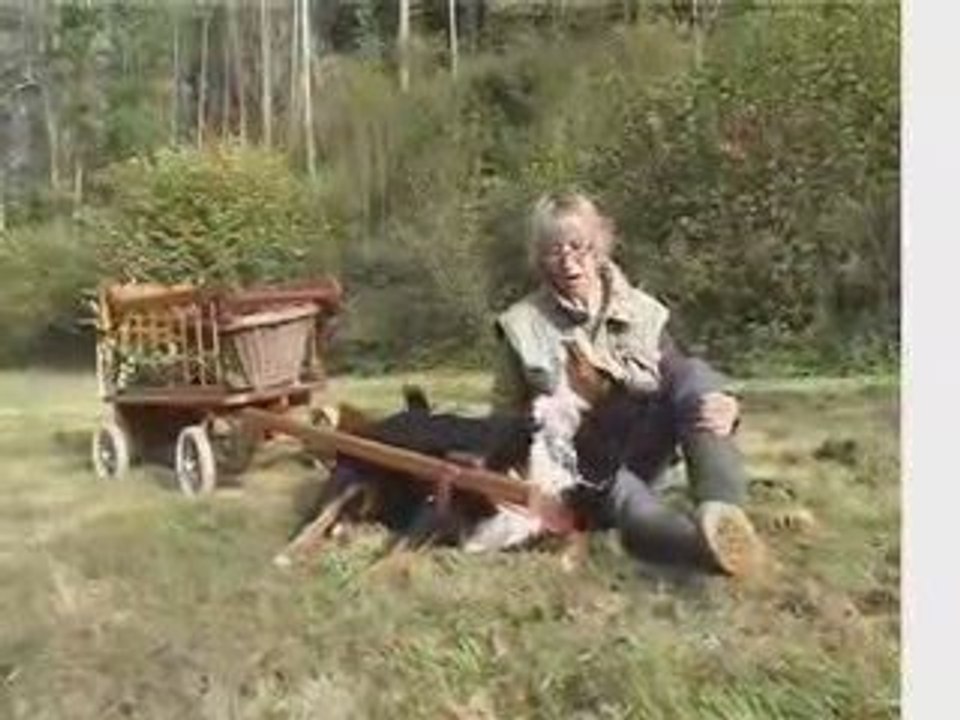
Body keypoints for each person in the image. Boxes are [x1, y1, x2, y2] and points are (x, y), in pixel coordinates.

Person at [487, 191, 762, 576]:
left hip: (646, 449)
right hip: (583, 468)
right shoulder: (520, 326)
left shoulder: (645, 312)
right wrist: (514, 474)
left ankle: (725, 513)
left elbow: (681, 378)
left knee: (697, 377)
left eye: (577, 247)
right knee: (620, 493)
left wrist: (723, 402)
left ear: (598, 245)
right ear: (539, 258)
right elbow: (503, 419)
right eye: (553, 251)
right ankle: (700, 548)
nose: (568, 262)